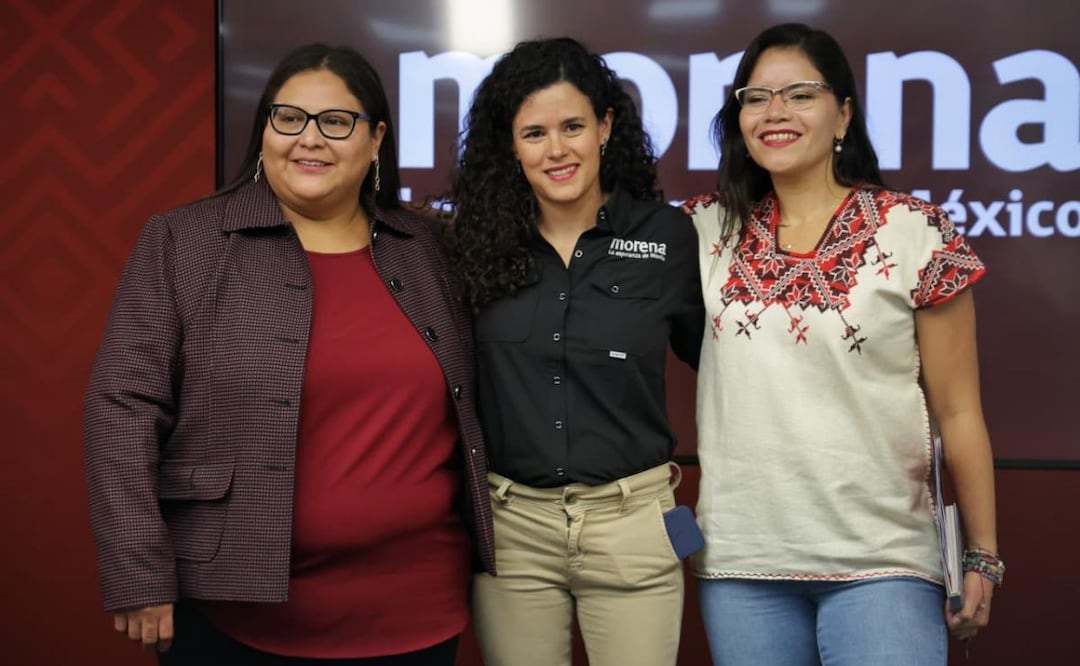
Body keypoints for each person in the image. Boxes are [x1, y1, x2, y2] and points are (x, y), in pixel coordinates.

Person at [84, 43, 494, 666]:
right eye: (289, 117)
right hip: (229, 616)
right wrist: (137, 571)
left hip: (416, 609)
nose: (310, 138)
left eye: (337, 121)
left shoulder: (430, 248)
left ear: (376, 139)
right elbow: (121, 408)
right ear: (265, 130)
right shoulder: (183, 241)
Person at [683, 23, 1002, 666]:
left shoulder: (914, 230)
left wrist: (982, 555)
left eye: (800, 94)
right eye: (755, 97)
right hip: (743, 564)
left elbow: (959, 411)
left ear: (844, 114)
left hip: (882, 561)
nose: (775, 112)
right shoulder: (702, 229)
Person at [444, 37, 704, 666]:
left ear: (605, 126)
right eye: (534, 133)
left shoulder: (667, 236)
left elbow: (728, 368)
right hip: (513, 529)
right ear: (510, 145)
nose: (556, 150)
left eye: (572, 127)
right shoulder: (471, 245)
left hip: (633, 523)